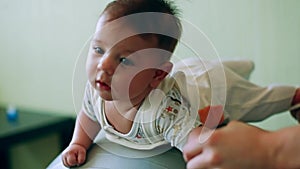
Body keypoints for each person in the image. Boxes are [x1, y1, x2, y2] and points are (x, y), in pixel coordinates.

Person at [61, 0, 300, 168]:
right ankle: (239, 66)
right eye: (98, 49)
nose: (104, 65)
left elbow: (192, 140)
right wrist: (78, 143)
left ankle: (294, 96)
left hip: (206, 89)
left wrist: (208, 134)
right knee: (219, 68)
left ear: (156, 76)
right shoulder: (97, 88)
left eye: (124, 60)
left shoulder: (164, 111)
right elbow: (89, 116)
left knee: (254, 101)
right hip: (187, 71)